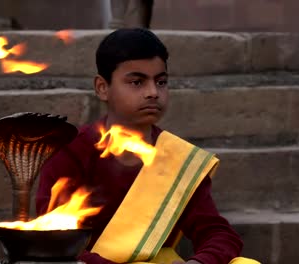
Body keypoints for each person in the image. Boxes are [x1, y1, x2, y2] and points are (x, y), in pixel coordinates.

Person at [36, 28, 258, 264]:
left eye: (161, 82)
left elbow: (218, 233)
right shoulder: (72, 149)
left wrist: (198, 263)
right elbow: (53, 241)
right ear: (102, 87)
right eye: (137, 82)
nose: (153, 92)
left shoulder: (176, 158)